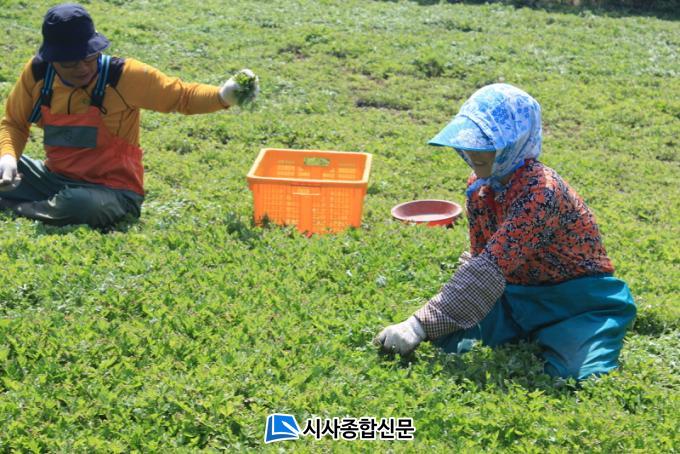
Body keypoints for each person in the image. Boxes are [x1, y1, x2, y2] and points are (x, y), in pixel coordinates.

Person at [374, 83, 636, 381]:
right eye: (470, 140)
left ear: (516, 141)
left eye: (487, 143)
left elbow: (490, 267)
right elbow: (480, 262)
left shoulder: (541, 192)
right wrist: (436, 319)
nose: (473, 152)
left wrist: (417, 325)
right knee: (449, 339)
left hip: (576, 303)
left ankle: (571, 332)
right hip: (514, 295)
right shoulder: (480, 186)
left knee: (575, 373)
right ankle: (524, 329)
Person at [0, 3, 259, 228]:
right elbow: (14, 122)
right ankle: (45, 204)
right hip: (53, 179)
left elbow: (182, 96)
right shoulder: (38, 73)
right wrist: (8, 158)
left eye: (89, 57)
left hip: (112, 192)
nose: (82, 68)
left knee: (81, 204)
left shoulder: (123, 75)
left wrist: (223, 96)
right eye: (70, 62)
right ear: (52, 59)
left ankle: (18, 207)